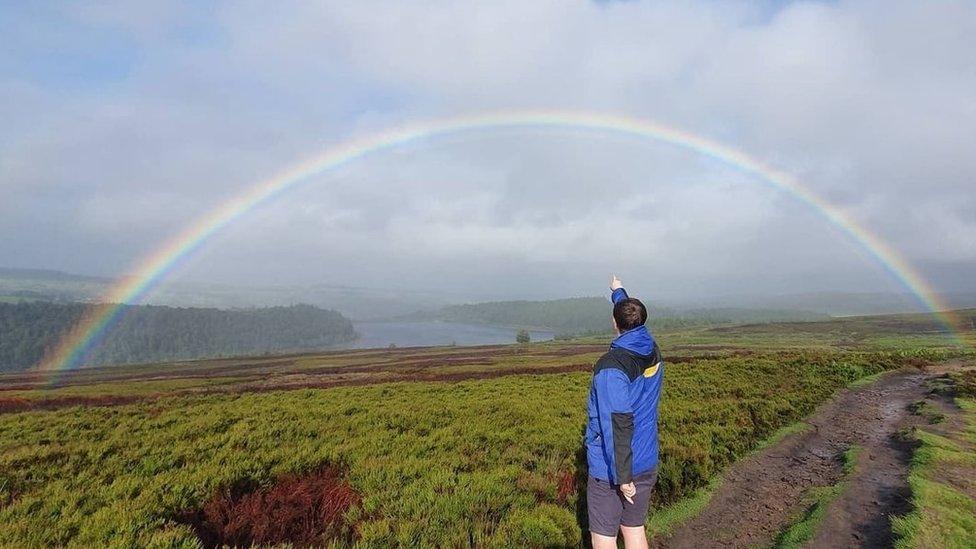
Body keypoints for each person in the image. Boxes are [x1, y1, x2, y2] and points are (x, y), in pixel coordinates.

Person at [585, 275, 664, 549]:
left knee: (604, 538)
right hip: (646, 457)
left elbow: (618, 423)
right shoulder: (651, 348)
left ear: (615, 323)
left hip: (613, 470)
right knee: (633, 529)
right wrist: (618, 290)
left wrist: (623, 478)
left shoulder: (611, 368)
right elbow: (628, 310)